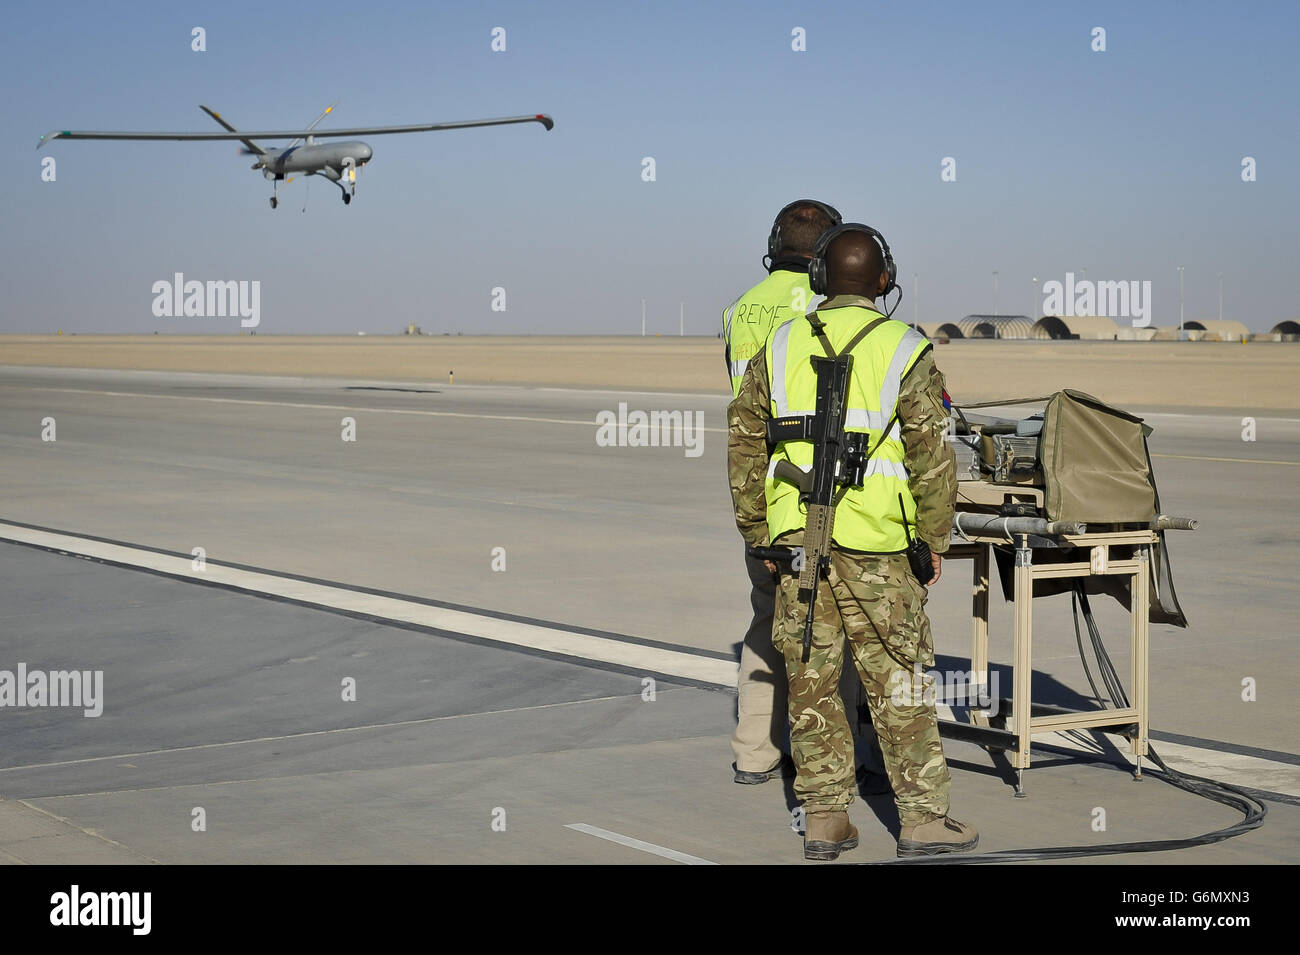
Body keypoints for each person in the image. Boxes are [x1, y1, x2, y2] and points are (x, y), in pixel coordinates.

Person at [727, 222, 978, 860]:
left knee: (811, 684)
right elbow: (932, 455)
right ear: (885, 281)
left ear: (819, 279)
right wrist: (935, 540)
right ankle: (921, 820)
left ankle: (824, 820)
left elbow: (744, 439)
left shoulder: (779, 346)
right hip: (878, 550)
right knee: (901, 682)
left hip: (797, 550)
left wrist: (758, 530)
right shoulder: (905, 348)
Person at [721, 200, 885, 791]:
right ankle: (839, 758)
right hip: (838, 495)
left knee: (768, 620)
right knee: (834, 629)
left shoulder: (740, 310)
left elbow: (744, 411)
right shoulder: (835, 301)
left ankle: (755, 752)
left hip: (768, 492)